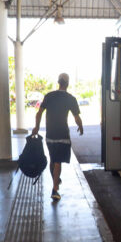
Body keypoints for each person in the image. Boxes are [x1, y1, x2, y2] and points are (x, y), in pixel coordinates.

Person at [31, 73, 84, 201]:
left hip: (50, 134)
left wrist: (36, 127)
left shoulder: (49, 96)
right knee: (58, 161)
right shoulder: (71, 98)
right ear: (68, 83)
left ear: (58, 82)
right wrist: (81, 126)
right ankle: (55, 189)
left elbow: (39, 114)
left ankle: (55, 179)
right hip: (63, 135)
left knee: (53, 160)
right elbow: (76, 117)